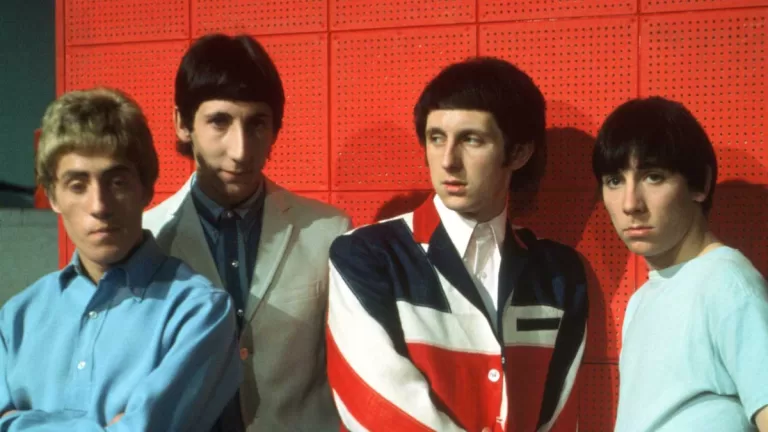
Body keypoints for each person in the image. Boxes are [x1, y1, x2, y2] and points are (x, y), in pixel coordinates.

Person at [326, 57, 589, 431]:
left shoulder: (560, 273)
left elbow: (559, 418)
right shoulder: (365, 255)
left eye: (471, 139)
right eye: (436, 138)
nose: (448, 160)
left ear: (519, 153)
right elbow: (377, 407)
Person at [0, 87, 241, 431]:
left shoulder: (199, 312)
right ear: (53, 196)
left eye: (116, 182)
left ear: (146, 188)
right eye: (78, 185)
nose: (99, 206)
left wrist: (17, 422)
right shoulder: (16, 319)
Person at [143, 33, 351, 431]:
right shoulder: (145, 237)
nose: (240, 151)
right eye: (219, 122)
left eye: (257, 123)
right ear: (182, 124)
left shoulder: (328, 231)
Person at [592, 96, 768, 431]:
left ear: (700, 184)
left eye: (653, 177)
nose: (630, 204)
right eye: (614, 181)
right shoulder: (641, 299)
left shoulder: (727, 283)